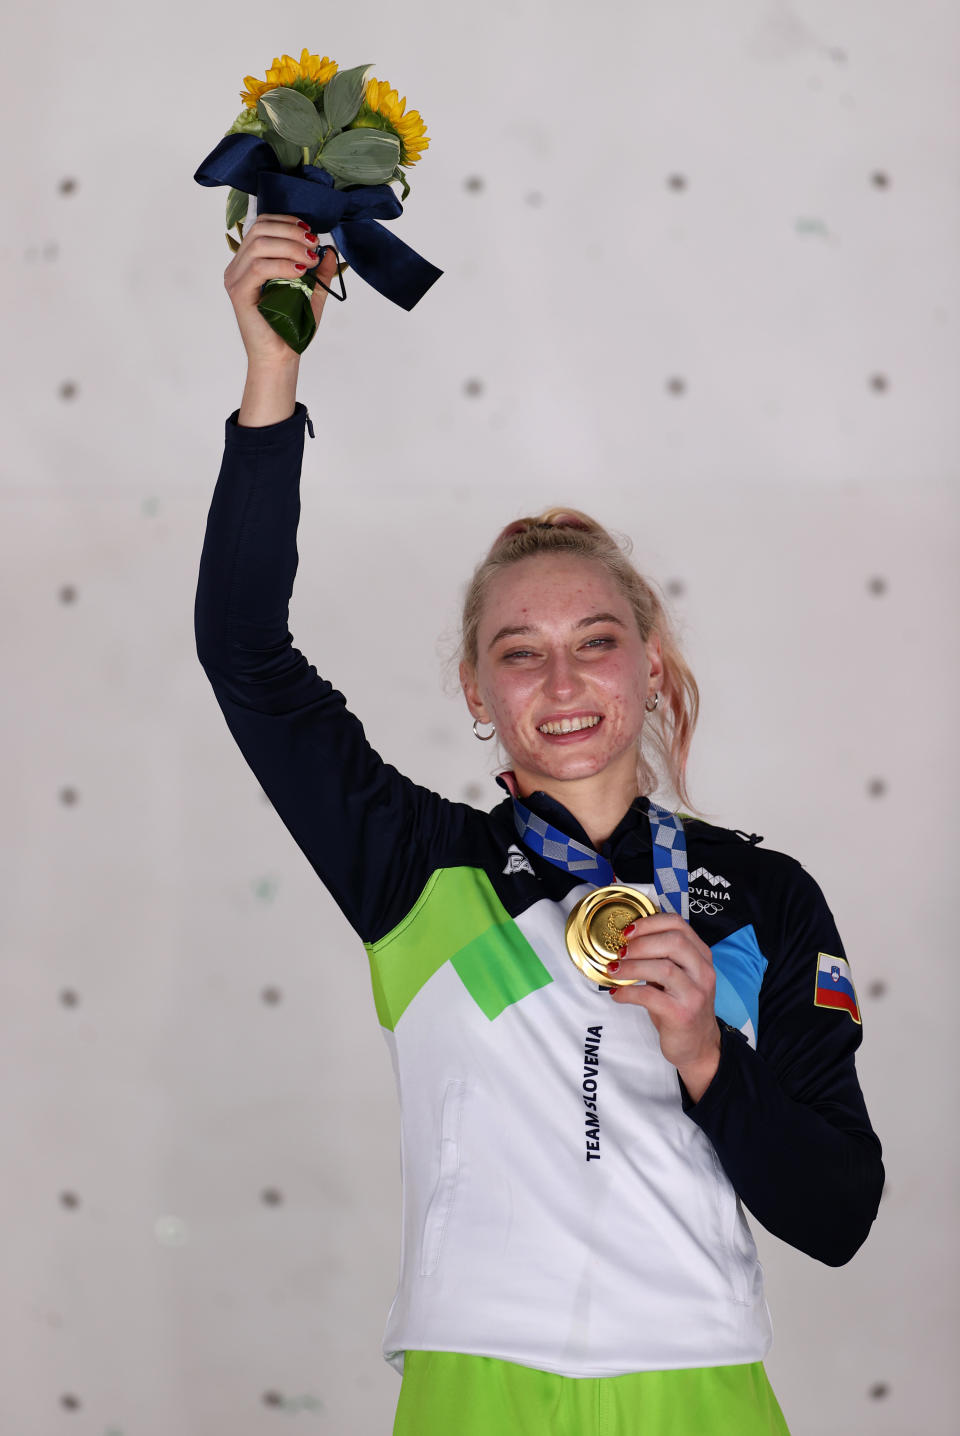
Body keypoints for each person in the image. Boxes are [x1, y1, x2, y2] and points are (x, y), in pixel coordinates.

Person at [194, 212, 884, 1436]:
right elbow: (245, 653)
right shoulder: (414, 862)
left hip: (700, 1387)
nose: (560, 686)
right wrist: (272, 370)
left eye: (593, 644)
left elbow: (837, 1213)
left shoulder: (764, 896)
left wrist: (707, 1056)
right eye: (519, 655)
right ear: (476, 690)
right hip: (479, 1382)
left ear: (652, 664)